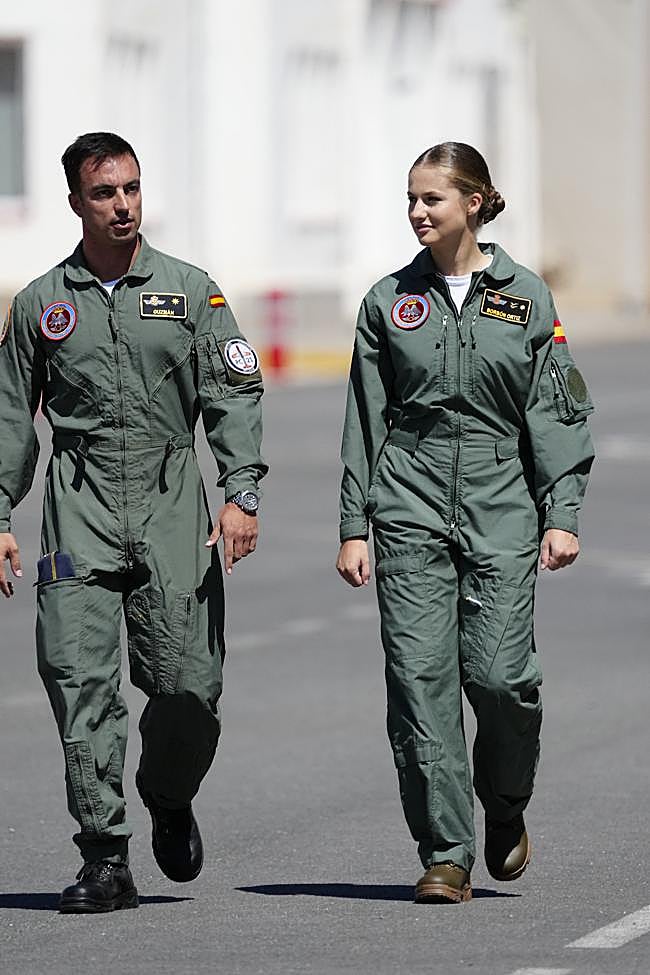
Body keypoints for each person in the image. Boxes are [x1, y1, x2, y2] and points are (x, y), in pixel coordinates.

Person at [0, 132, 267, 913]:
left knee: (188, 685)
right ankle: (105, 855)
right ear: (77, 202)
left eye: (132, 189)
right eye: (106, 192)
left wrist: (240, 491)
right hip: (78, 505)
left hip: (171, 499)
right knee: (78, 680)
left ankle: (167, 791)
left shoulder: (190, 291)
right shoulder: (43, 303)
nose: (123, 205)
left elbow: (234, 390)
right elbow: (13, 415)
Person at [336, 142, 594, 904]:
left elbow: (555, 409)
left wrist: (562, 512)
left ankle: (505, 805)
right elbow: (364, 417)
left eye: (432, 199)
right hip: (409, 502)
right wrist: (356, 522)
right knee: (420, 685)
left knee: (503, 679)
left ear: (474, 202)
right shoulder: (388, 302)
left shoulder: (528, 297)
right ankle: (446, 851)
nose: (417, 212)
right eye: (411, 199)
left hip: (501, 501)